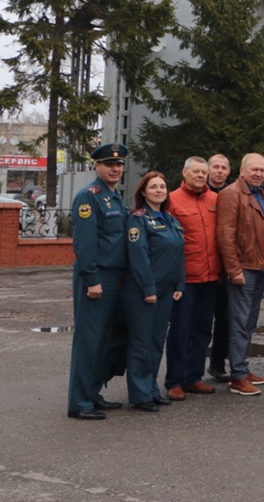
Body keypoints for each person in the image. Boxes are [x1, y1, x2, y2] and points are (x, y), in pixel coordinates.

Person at [67, 144, 130, 420]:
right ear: (97, 166)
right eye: (108, 164)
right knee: (89, 341)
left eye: (119, 165)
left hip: (115, 277)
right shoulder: (88, 196)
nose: (115, 169)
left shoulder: (115, 197)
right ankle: (79, 403)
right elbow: (84, 243)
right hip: (96, 277)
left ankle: (92, 394)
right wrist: (91, 278)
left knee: (104, 340)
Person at [121, 172, 185, 412]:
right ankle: (139, 394)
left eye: (162, 186)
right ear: (143, 192)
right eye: (153, 187)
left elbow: (178, 253)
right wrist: (148, 289)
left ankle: (151, 389)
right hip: (143, 292)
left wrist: (180, 283)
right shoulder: (138, 219)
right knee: (141, 342)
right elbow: (139, 258)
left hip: (167, 291)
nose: (159, 190)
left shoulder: (170, 219)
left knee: (157, 342)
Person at [215, 154, 264, 396]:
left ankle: (242, 368)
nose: (259, 173)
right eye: (254, 170)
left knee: (249, 322)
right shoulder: (231, 194)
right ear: (242, 170)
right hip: (244, 269)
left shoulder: (262, 193)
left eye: (262, 169)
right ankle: (238, 377)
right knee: (239, 323)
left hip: (261, 267)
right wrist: (234, 269)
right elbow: (225, 235)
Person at [164, 157, 221, 400]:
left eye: (203, 172)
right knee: (180, 330)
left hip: (211, 276)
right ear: (184, 173)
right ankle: (174, 381)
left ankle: (193, 377)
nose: (200, 175)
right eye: (195, 171)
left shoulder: (216, 200)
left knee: (202, 330)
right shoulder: (172, 200)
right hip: (185, 277)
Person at [205, 153, 233, 383]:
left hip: (226, 268)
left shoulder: (231, 195)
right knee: (200, 321)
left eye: (224, 167)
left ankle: (218, 363)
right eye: (216, 167)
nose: (220, 171)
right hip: (203, 267)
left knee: (225, 319)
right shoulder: (200, 194)